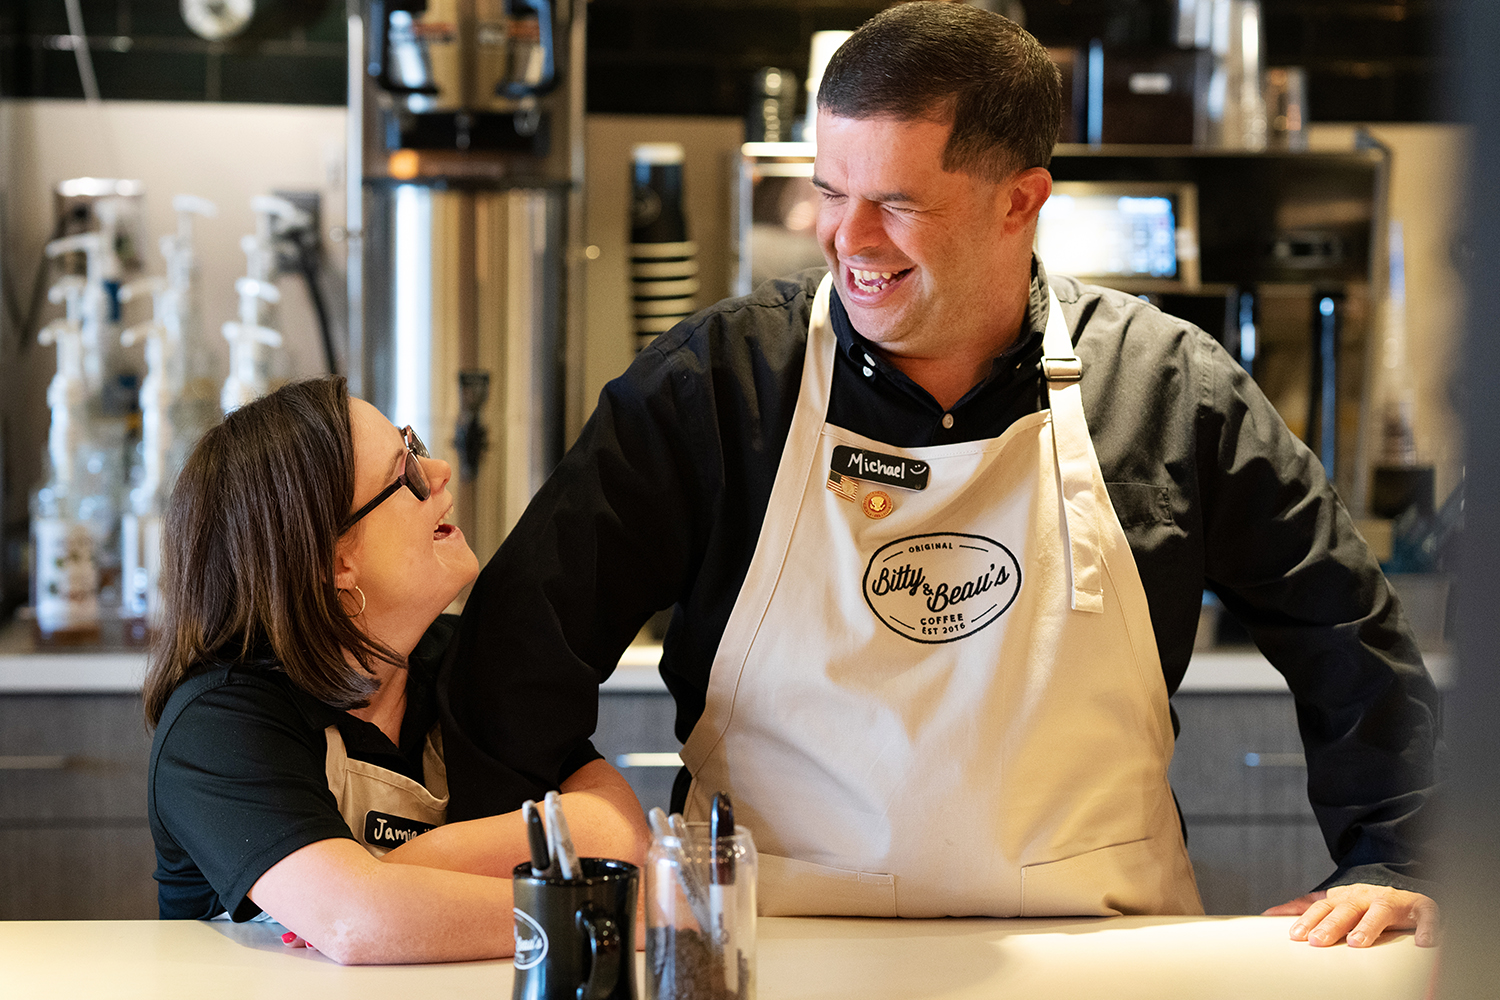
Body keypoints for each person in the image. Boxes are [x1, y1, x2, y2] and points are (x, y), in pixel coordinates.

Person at [441, 2, 1439, 947]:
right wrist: (529, 889)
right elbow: (519, 652)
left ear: (1021, 202)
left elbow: (1344, 627)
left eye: (897, 202)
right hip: (770, 950)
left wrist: (1401, 858)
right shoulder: (713, 389)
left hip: (1101, 951)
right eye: (830, 191)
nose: (849, 238)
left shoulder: (1171, 389)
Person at [144, 377, 649, 965]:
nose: (439, 472)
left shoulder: (478, 660)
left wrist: (400, 870)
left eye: (414, 444)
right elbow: (359, 920)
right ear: (337, 562)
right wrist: (599, 914)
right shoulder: (218, 724)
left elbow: (616, 835)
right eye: (403, 473)